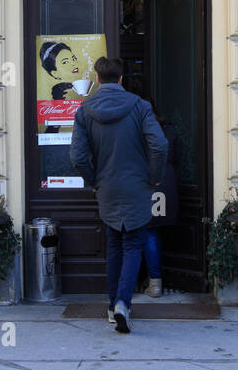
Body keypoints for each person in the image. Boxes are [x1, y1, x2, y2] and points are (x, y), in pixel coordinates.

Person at [70, 56, 167, 333]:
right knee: (133, 244)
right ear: (122, 79)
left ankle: (113, 306)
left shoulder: (85, 110)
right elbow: (159, 145)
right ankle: (123, 302)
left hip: (107, 187)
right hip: (137, 185)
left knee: (114, 244)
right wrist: (154, 176)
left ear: (98, 79)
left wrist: (93, 180)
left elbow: (76, 157)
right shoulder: (140, 107)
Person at [137, 98, 179, 298]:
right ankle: (151, 278)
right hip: (167, 183)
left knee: (146, 232)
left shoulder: (137, 131)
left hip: (147, 183)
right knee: (153, 232)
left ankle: (154, 281)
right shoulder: (167, 129)